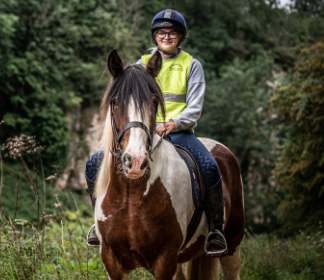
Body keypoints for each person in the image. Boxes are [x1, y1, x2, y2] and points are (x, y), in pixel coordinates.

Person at [85, 9, 228, 257]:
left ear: (180, 36)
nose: (166, 36)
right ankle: (99, 222)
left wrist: (174, 123)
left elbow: (194, 108)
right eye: (161, 32)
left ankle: (215, 229)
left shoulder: (192, 65)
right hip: (143, 132)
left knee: (209, 166)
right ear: (155, 36)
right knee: (93, 164)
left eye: (172, 33)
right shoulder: (140, 65)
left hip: (178, 132)